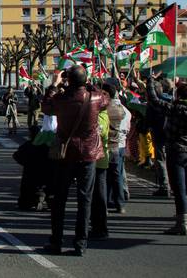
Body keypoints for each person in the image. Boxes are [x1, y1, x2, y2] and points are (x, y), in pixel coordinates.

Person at [42, 65, 109, 256]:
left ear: (68, 80)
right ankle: (81, 243)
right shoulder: (95, 98)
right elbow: (105, 100)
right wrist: (90, 84)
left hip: (66, 153)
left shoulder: (62, 99)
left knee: (59, 199)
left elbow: (46, 106)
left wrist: (54, 85)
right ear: (85, 80)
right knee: (85, 199)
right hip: (88, 154)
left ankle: (56, 241)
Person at [147, 72, 187, 235]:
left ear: (178, 95)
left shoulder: (174, 109)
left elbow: (154, 101)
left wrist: (150, 82)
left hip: (176, 150)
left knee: (179, 188)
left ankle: (181, 223)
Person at [103, 83, 131, 214]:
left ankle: (109, 202)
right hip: (121, 144)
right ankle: (119, 203)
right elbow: (128, 128)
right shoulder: (125, 110)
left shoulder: (106, 109)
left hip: (109, 144)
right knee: (117, 174)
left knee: (105, 175)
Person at [90, 104, 110, 240]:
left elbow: (99, 130)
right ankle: (95, 224)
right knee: (92, 195)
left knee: (98, 195)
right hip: (93, 159)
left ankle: (101, 226)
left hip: (99, 161)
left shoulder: (102, 115)